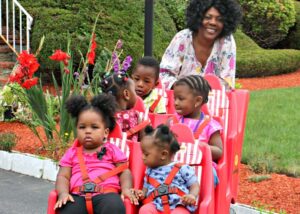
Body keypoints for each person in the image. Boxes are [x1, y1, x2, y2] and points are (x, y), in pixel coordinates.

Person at [54, 94, 138, 214]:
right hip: (77, 195)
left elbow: (124, 170)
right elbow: (63, 176)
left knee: (115, 206)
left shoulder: (112, 149)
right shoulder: (72, 152)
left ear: (105, 132)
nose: (88, 131)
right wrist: (63, 193)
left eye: (94, 127)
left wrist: (126, 189)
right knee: (67, 209)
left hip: (107, 194)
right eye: (82, 127)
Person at [160, 0, 242, 89]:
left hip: (214, 100)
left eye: (220, 19)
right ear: (198, 18)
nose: (213, 22)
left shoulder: (226, 41)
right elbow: (164, 75)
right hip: (179, 99)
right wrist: (184, 88)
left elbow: (227, 82)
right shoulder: (182, 38)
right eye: (208, 17)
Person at [133, 125, 200, 214]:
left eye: (146, 154)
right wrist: (140, 194)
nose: (142, 157)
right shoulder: (149, 171)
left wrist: (191, 195)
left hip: (178, 205)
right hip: (155, 205)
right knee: (144, 210)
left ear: (163, 154)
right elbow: (145, 191)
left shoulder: (182, 168)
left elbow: (194, 185)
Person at [173, 75, 223, 185]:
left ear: (198, 101)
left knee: (209, 175)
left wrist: (199, 147)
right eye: (174, 98)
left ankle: (199, 199)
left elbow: (219, 151)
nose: (176, 102)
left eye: (181, 99)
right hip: (175, 165)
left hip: (200, 166)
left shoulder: (210, 125)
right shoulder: (172, 121)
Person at [100, 72, 141, 141]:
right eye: (134, 91)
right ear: (126, 94)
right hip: (131, 151)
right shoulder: (135, 116)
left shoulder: (103, 117)